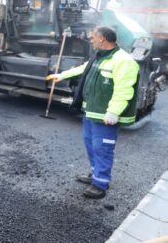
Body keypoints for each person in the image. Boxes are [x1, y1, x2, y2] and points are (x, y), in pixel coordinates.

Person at [47, 26, 139, 199]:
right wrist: (62, 75)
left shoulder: (124, 61)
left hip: (105, 115)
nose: (91, 40)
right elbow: (83, 68)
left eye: (93, 38)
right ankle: (95, 174)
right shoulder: (98, 57)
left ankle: (100, 184)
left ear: (102, 39)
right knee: (91, 145)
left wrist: (113, 112)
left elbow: (124, 90)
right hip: (92, 111)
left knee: (103, 148)